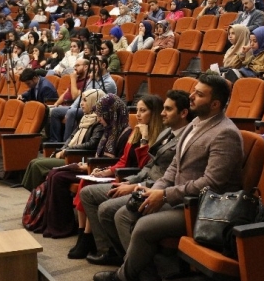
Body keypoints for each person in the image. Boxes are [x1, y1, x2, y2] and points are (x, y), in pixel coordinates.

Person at [92, 73, 243, 281]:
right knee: (115, 212)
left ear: (215, 104)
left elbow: (212, 183)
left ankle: (125, 276)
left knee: (140, 223)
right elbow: (174, 167)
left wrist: (163, 195)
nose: (191, 96)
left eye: (199, 94)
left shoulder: (225, 133)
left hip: (203, 209)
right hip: (178, 197)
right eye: (194, 90)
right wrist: (155, 190)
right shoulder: (195, 123)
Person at [82, 90, 193, 266]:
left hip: (155, 189)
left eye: (168, 109)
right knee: (87, 192)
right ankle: (111, 251)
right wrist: (131, 181)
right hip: (141, 181)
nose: (163, 113)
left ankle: (131, 264)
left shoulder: (186, 138)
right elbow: (149, 166)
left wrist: (136, 186)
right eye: (163, 108)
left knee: (109, 209)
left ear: (183, 113)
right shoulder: (167, 134)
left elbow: (168, 176)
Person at [66, 95, 165, 258]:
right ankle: (86, 237)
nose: (138, 114)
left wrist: (145, 141)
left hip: (133, 178)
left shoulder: (157, 136)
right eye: (137, 110)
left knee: (88, 190)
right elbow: (123, 160)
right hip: (124, 174)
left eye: (143, 110)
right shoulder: (135, 132)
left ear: (154, 113)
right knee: (85, 181)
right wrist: (107, 171)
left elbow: (145, 167)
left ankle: (95, 243)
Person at [35, 94, 132, 239]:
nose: (99, 119)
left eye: (101, 115)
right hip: (95, 167)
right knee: (54, 174)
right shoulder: (108, 129)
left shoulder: (125, 133)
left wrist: (89, 166)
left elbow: (119, 161)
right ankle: (50, 223)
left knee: (59, 177)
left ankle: (64, 227)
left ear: (110, 114)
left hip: (104, 171)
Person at [20, 89, 107, 191]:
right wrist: (62, 149)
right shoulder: (85, 118)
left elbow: (92, 144)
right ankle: (38, 197)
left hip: (78, 158)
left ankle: (38, 197)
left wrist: (67, 150)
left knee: (37, 165)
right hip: (70, 154)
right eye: (81, 100)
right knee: (33, 162)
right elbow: (71, 137)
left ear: (94, 102)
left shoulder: (100, 122)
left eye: (85, 100)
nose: (81, 104)